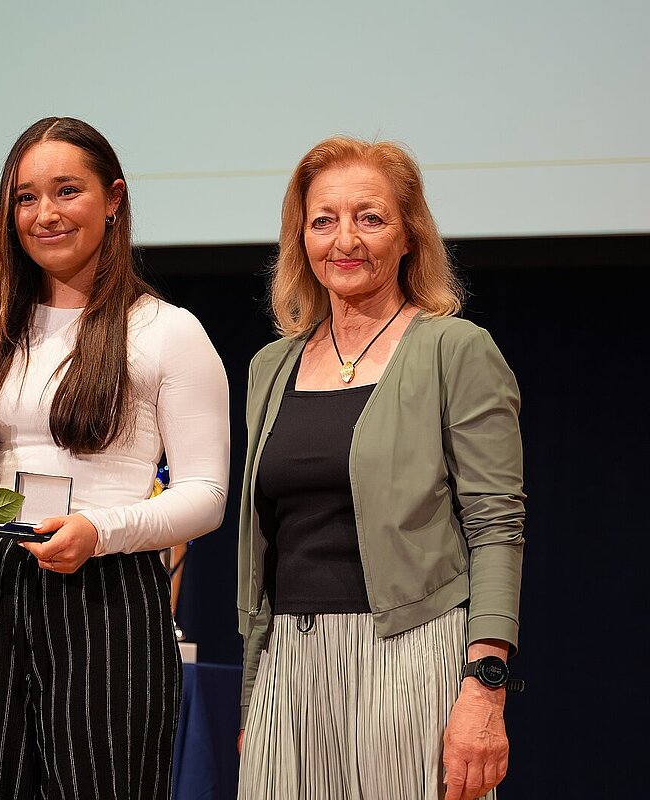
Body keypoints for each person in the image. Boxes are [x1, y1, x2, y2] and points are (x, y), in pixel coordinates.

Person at [0, 116, 230, 800]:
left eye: (67, 191)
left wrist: (102, 531)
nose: (45, 214)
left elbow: (207, 495)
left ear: (113, 198)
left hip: (109, 592)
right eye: (26, 197)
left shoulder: (168, 332)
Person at [235, 135, 525, 800]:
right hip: (289, 670)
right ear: (301, 239)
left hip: (415, 657)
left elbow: (496, 528)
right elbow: (265, 549)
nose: (346, 240)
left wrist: (485, 690)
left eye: (370, 218)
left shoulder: (455, 349)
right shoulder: (269, 368)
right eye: (323, 220)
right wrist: (255, 695)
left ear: (409, 235)